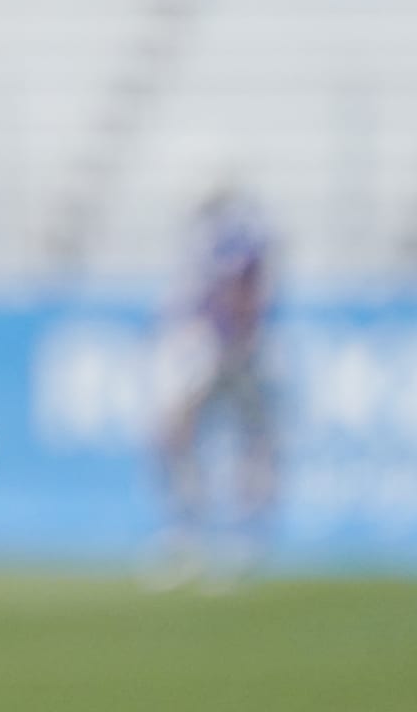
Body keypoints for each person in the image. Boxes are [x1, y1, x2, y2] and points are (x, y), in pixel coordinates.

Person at [151, 186, 277, 589]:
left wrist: (232, 339)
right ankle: (197, 532)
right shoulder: (215, 243)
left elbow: (245, 296)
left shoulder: (237, 242)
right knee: (185, 435)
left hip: (230, 349)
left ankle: (236, 534)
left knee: (241, 437)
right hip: (212, 347)